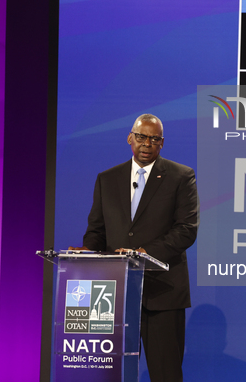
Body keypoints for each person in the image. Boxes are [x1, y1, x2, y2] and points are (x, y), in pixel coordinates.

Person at [71, 113, 199, 382]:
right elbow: (97, 230)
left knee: (166, 375)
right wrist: (87, 252)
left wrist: (144, 253)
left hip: (162, 293)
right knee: (111, 375)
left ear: (162, 143)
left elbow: (186, 230)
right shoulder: (108, 179)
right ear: (130, 137)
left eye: (154, 139)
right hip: (112, 296)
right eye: (141, 136)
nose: (146, 143)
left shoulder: (181, 176)